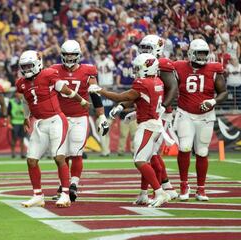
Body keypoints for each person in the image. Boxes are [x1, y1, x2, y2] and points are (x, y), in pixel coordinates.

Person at [89, 53, 170, 207]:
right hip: (153, 123)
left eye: (138, 68)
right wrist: (127, 110)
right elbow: (141, 100)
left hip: (148, 126)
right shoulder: (157, 81)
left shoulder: (143, 83)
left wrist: (100, 90)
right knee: (145, 160)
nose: (135, 71)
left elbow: (121, 96)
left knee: (139, 161)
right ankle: (143, 194)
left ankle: (160, 192)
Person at [110, 35, 179, 204]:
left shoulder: (162, 64)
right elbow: (142, 96)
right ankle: (159, 188)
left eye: (149, 48)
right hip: (151, 112)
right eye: (144, 47)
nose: (145, 51)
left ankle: (164, 188)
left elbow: (173, 88)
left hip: (160, 114)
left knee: (149, 155)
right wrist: (133, 109)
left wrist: (162, 109)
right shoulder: (144, 63)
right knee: (150, 155)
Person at [16, 50, 89, 208]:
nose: (26, 69)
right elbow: (25, 101)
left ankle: (65, 194)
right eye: (24, 66)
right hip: (40, 123)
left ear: (37, 64)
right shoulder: (21, 83)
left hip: (56, 120)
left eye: (29, 66)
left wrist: (82, 101)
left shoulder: (48, 74)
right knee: (31, 160)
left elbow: (65, 90)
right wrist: (26, 117)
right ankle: (37, 195)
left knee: (59, 157)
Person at [50, 40, 109, 202]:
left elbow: (94, 93)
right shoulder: (54, 70)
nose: (69, 58)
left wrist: (101, 115)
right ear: (62, 55)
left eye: (72, 55)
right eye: (67, 55)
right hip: (59, 118)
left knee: (76, 152)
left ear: (78, 55)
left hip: (79, 118)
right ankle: (64, 185)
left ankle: (73, 185)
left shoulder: (88, 70)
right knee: (60, 154)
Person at [173, 39, 227, 201]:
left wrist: (213, 101)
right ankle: (184, 185)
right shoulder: (179, 67)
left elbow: (223, 92)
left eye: (205, 53)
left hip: (206, 115)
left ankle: (201, 189)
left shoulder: (214, 69)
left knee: (202, 151)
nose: (202, 57)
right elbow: (170, 86)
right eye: (199, 53)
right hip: (185, 113)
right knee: (184, 147)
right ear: (191, 53)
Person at [7, 92, 26, 158]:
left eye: (22, 93)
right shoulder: (11, 102)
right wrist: (9, 123)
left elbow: (29, 112)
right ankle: (13, 153)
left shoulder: (24, 102)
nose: (21, 95)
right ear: (16, 94)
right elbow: (8, 114)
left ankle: (22, 153)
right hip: (14, 122)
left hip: (23, 122)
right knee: (14, 139)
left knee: (22, 139)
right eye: (20, 93)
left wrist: (25, 112)